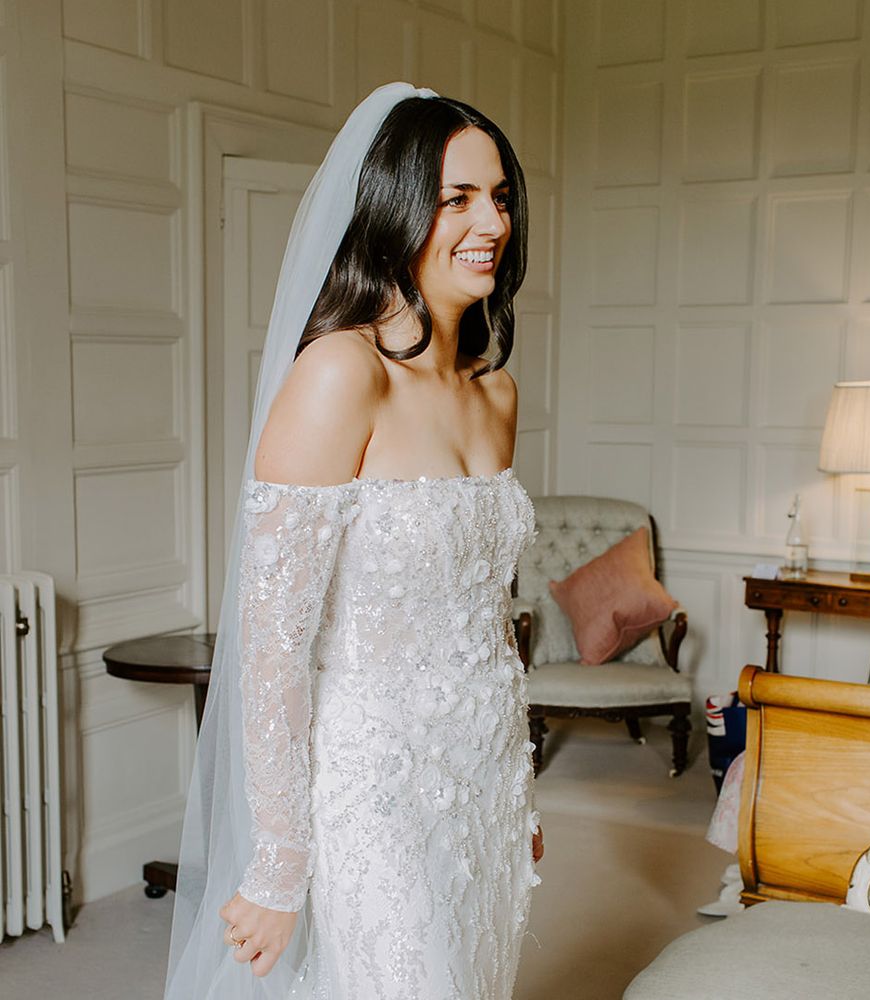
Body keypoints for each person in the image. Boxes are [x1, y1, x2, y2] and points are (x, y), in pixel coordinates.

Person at [163, 83, 543, 1000]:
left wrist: (520, 786)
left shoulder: (497, 395)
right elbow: (273, 648)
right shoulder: (341, 373)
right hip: (372, 786)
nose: (488, 220)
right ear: (398, 209)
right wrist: (280, 860)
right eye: (456, 198)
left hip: (482, 777)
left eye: (498, 196)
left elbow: (489, 625)